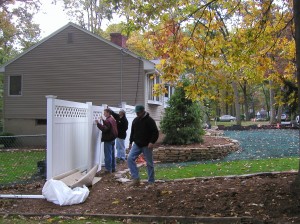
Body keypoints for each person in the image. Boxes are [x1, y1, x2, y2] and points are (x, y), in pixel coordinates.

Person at [127, 105, 159, 187]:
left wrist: (152, 142)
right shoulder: (135, 120)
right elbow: (132, 132)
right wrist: (130, 142)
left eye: (138, 112)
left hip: (147, 145)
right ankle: (136, 179)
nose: (137, 114)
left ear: (143, 111)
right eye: (136, 112)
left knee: (149, 163)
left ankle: (151, 181)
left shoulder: (150, 121)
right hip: (137, 144)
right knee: (130, 158)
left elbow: (155, 132)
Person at [95, 108, 118, 174]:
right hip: (113, 139)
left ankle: (108, 170)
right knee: (112, 154)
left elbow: (105, 129)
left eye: (104, 113)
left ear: (108, 113)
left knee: (108, 155)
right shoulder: (112, 119)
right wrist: (102, 120)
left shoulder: (108, 120)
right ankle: (113, 168)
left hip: (108, 139)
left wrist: (98, 124)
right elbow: (109, 125)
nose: (104, 114)